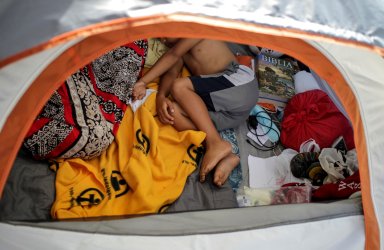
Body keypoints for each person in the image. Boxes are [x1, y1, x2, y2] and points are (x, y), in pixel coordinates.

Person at [132, 38, 258, 186]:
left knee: (179, 86)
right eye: (160, 38)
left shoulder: (194, 30)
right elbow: (172, 72)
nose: (163, 39)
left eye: (166, 31)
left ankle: (215, 143)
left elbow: (172, 55)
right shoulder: (178, 50)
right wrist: (161, 97)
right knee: (171, 111)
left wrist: (142, 82)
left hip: (240, 87)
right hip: (228, 110)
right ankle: (226, 156)